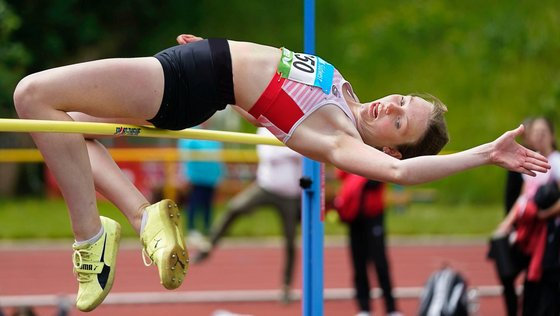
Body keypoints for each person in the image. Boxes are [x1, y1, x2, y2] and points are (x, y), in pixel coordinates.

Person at [12, 33, 550, 311]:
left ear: (395, 149)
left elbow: (405, 176)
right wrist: (211, 46)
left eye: (400, 124)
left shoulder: (337, 137)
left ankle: (90, 238)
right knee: (74, 126)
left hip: (191, 80)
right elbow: (265, 95)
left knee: (32, 94)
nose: (392, 107)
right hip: (199, 67)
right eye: (402, 100)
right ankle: (139, 216)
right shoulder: (344, 93)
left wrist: (484, 153)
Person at [194, 127, 302, 303]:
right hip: (266, 186)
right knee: (234, 208)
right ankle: (208, 246)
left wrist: (292, 149)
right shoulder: (265, 130)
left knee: (291, 241)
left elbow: (305, 154)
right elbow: (270, 156)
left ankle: (286, 287)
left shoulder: (298, 128)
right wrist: (294, 149)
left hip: (290, 194)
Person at [493, 116, 560, 316]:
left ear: (552, 135)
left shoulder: (556, 161)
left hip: (549, 233)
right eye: (536, 133)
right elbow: (523, 198)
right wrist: (507, 224)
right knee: (504, 264)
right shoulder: (533, 160)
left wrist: (544, 214)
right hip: (528, 230)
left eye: (543, 133)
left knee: (540, 282)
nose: (539, 137)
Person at [334, 170, 401, 316]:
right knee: (358, 263)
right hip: (354, 216)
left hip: (374, 215)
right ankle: (364, 308)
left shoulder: (378, 149)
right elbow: (341, 173)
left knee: (381, 264)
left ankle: (391, 308)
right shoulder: (350, 151)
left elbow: (381, 177)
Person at [178, 125, 225, 243]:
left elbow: (218, 156)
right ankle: (192, 229)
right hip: (195, 176)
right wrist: (184, 174)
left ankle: (207, 228)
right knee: (194, 202)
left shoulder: (213, 135)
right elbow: (185, 154)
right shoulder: (191, 133)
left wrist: (220, 174)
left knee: (208, 204)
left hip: (211, 176)